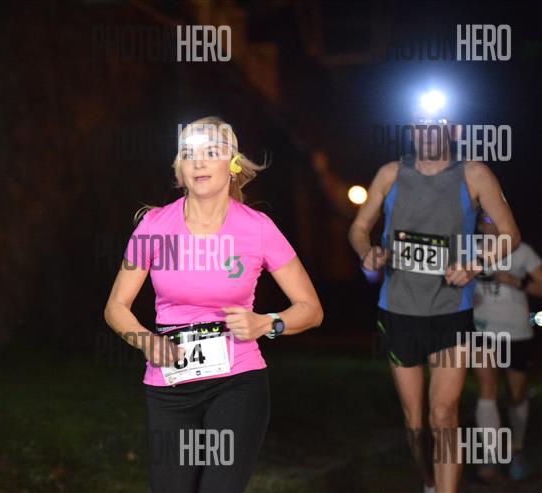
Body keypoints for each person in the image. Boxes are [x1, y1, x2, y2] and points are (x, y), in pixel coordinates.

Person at [104, 116, 323, 492]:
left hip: (237, 381)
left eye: (211, 152)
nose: (199, 162)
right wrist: (146, 341)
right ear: (179, 169)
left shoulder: (257, 228)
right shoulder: (154, 226)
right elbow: (115, 307)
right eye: (189, 154)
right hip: (170, 383)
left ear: (232, 163)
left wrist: (266, 323)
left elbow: (310, 309)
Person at [348, 95, 521, 493]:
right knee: (415, 422)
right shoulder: (390, 174)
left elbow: (510, 234)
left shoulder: (474, 174)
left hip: (450, 311)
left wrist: (475, 263)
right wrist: (367, 252)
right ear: (411, 131)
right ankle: (428, 481)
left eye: (436, 125)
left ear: (452, 131)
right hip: (398, 310)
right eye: (419, 125)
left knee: (443, 413)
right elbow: (358, 227)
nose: (427, 133)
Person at [472, 210, 542, 482]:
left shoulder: (521, 250)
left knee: (516, 395)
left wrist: (515, 281)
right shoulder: (470, 250)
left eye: (495, 218)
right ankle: (490, 459)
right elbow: (450, 283)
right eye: (485, 219)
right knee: (486, 390)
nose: (490, 223)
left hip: (517, 333)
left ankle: (516, 449)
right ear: (479, 224)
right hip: (483, 330)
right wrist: (464, 295)